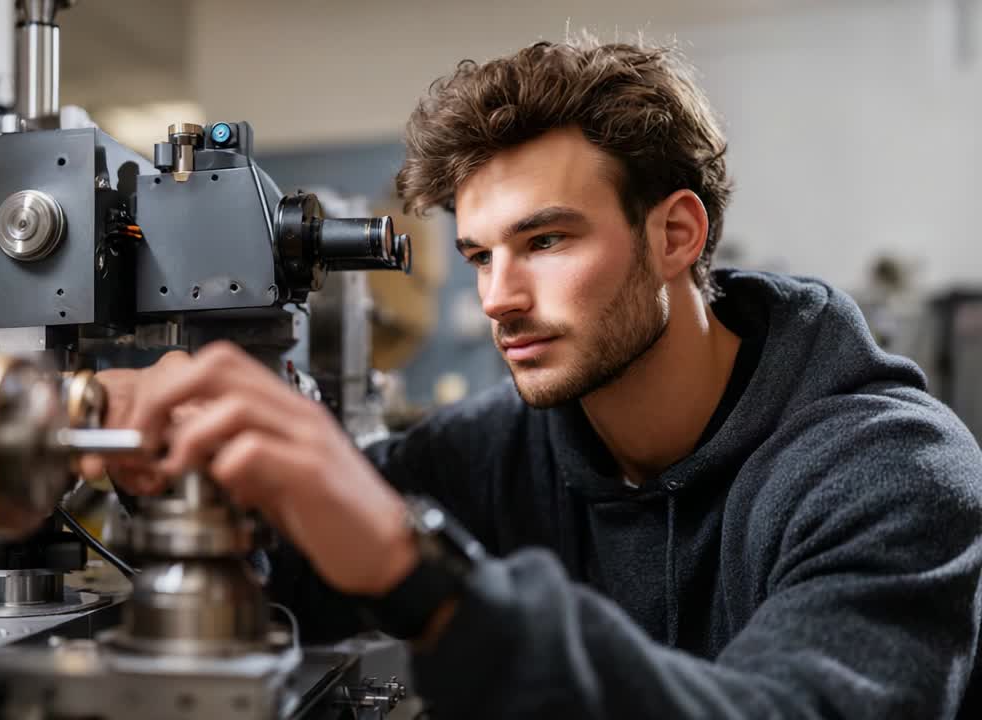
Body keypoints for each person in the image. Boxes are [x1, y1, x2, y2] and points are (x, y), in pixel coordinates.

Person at [82, 38, 982, 718]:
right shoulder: (492, 450)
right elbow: (289, 580)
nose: (498, 299)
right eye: (479, 255)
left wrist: (421, 576)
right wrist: (181, 465)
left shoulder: (892, 472)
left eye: (546, 241)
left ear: (676, 236)